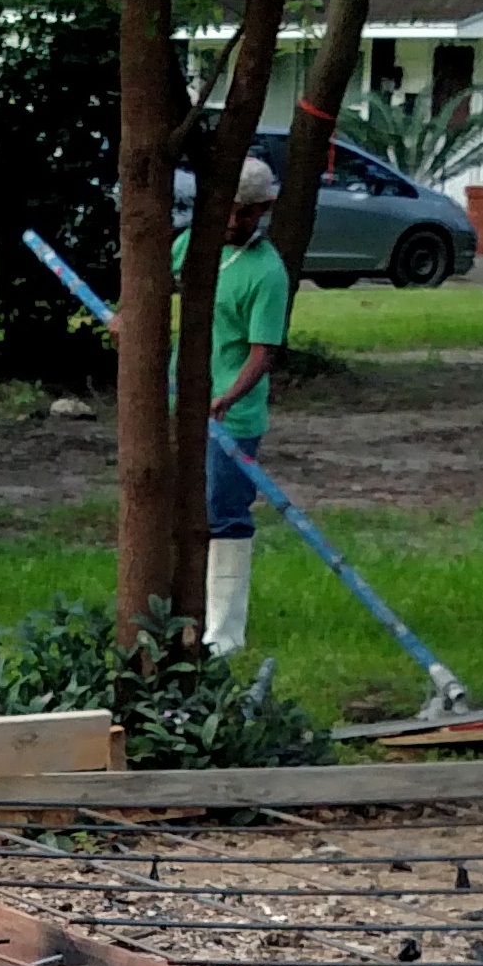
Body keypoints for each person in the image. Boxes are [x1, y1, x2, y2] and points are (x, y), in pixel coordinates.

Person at [174, 155, 290, 655]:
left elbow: (264, 352)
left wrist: (228, 397)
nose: (232, 222)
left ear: (265, 209)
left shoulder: (268, 273)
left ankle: (224, 635)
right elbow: (158, 291)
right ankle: (180, 619)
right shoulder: (191, 246)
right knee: (182, 510)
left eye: (245, 212)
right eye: (226, 210)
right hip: (183, 404)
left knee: (225, 514)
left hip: (231, 418)